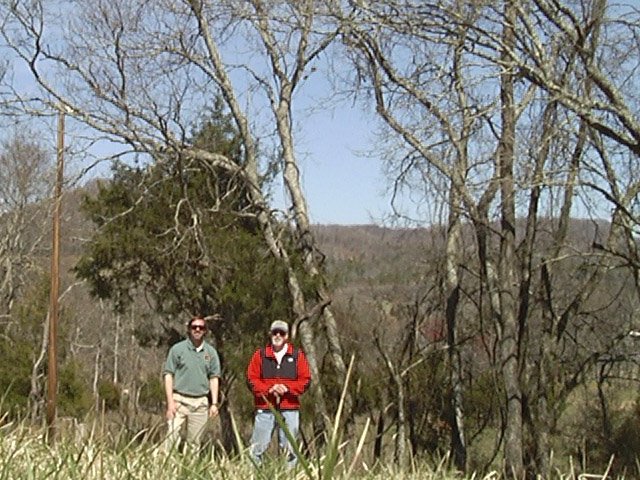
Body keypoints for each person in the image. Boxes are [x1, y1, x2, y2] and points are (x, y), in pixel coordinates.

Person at [246, 320, 311, 467]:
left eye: (281, 333)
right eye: (275, 332)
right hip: (265, 408)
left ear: (287, 336)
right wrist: (269, 389)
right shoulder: (260, 355)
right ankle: (253, 475)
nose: (277, 335)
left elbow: (305, 381)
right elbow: (251, 379)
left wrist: (287, 388)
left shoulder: (297, 356)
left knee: (291, 450)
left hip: (290, 409)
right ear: (270, 334)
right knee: (257, 448)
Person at [163, 316, 221, 451]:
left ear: (205, 331)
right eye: (194, 327)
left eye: (201, 327)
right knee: (171, 438)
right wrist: (170, 402)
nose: (197, 330)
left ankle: (190, 468)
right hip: (179, 401)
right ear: (189, 330)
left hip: (200, 403)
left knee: (194, 443)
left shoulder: (210, 353)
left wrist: (214, 403)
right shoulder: (177, 349)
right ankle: (166, 467)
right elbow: (168, 375)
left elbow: (214, 378)